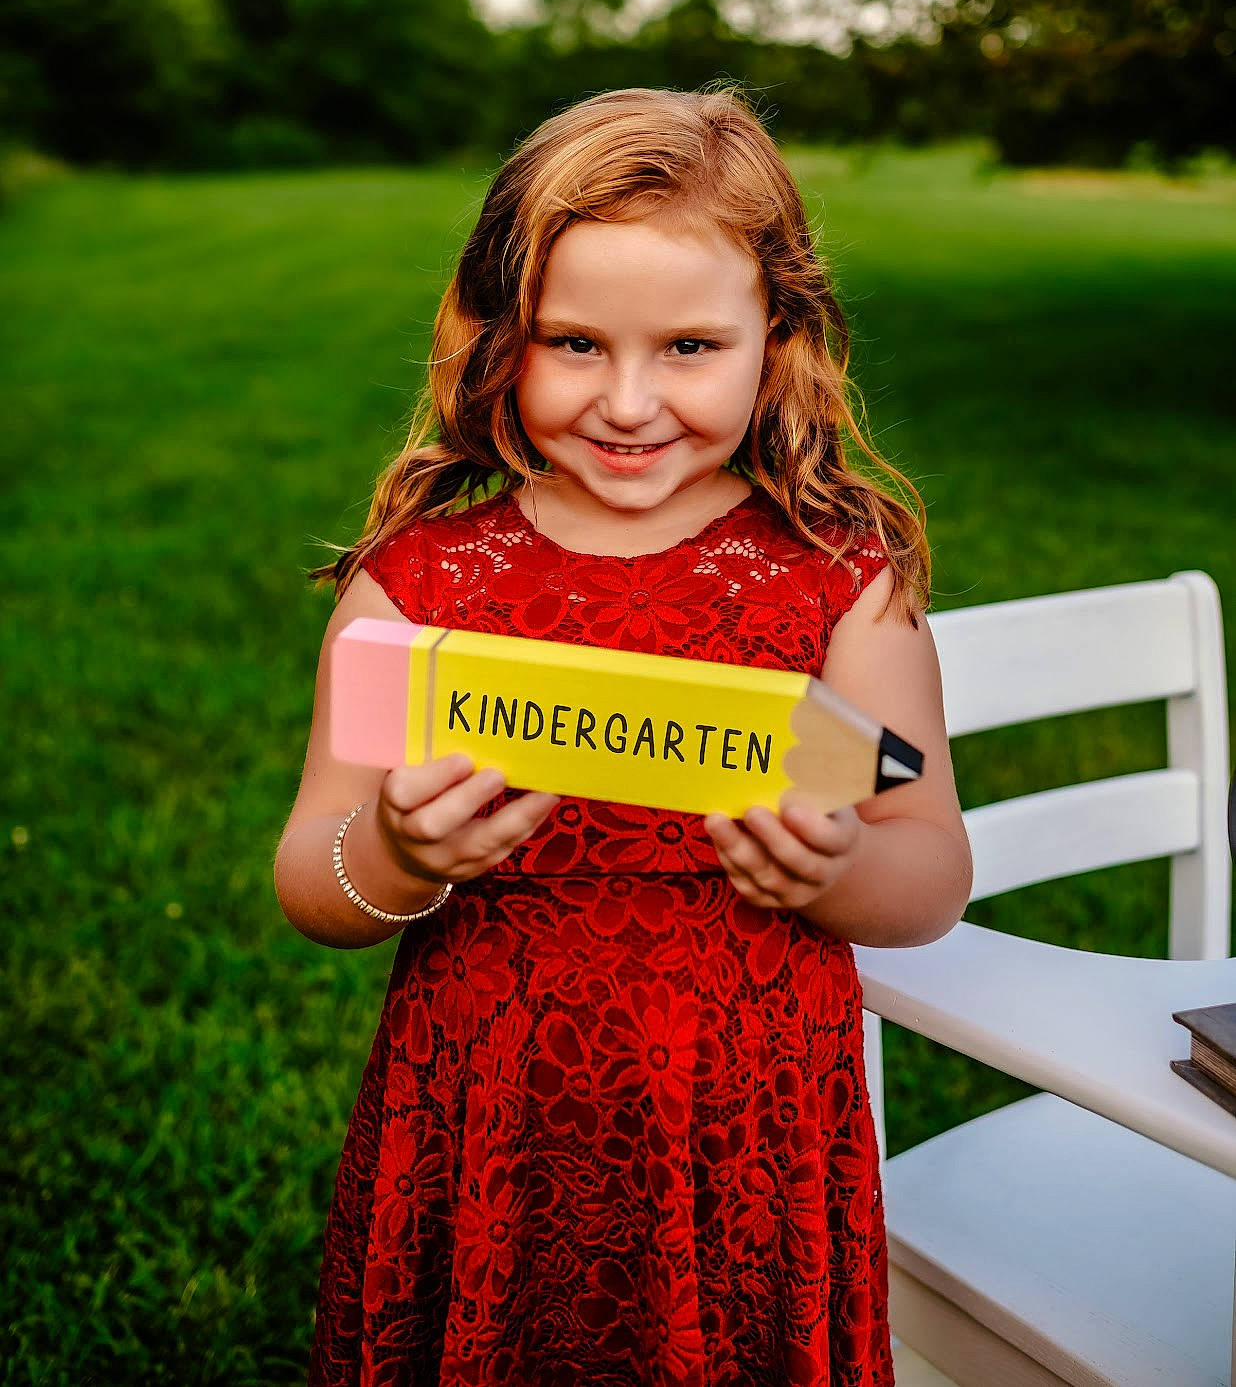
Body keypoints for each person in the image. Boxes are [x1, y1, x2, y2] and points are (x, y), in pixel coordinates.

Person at [276, 87, 973, 1387]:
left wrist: (834, 873)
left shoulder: (840, 582)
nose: (631, 401)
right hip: (490, 1114)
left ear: (780, 335)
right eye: (576, 344)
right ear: (496, 338)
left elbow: (929, 864)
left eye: (691, 347)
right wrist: (394, 847)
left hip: (744, 1121)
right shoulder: (422, 586)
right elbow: (312, 877)